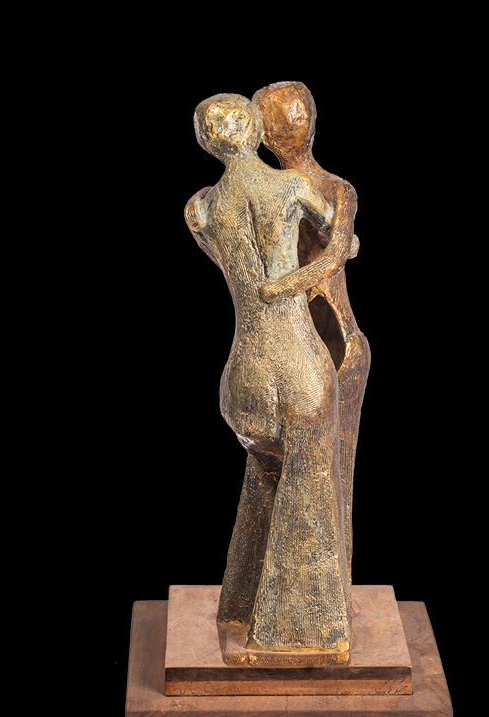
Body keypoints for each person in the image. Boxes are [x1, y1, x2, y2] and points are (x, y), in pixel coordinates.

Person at [185, 93, 351, 655]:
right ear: (256, 129)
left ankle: (239, 606)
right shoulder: (290, 187)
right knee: (308, 486)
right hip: (296, 364)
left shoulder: (200, 208)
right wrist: (291, 279)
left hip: (242, 379)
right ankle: (297, 635)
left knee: (264, 478)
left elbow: (223, 259)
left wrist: (266, 283)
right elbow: (341, 241)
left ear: (206, 142)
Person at [252, 81, 371, 578]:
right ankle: (274, 592)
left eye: (294, 116)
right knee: (281, 472)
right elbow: (342, 248)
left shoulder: (333, 190)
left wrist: (277, 288)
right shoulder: (272, 193)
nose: (291, 127)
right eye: (282, 120)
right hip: (290, 344)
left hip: (334, 341)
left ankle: (327, 596)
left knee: (330, 476)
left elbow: (335, 255)